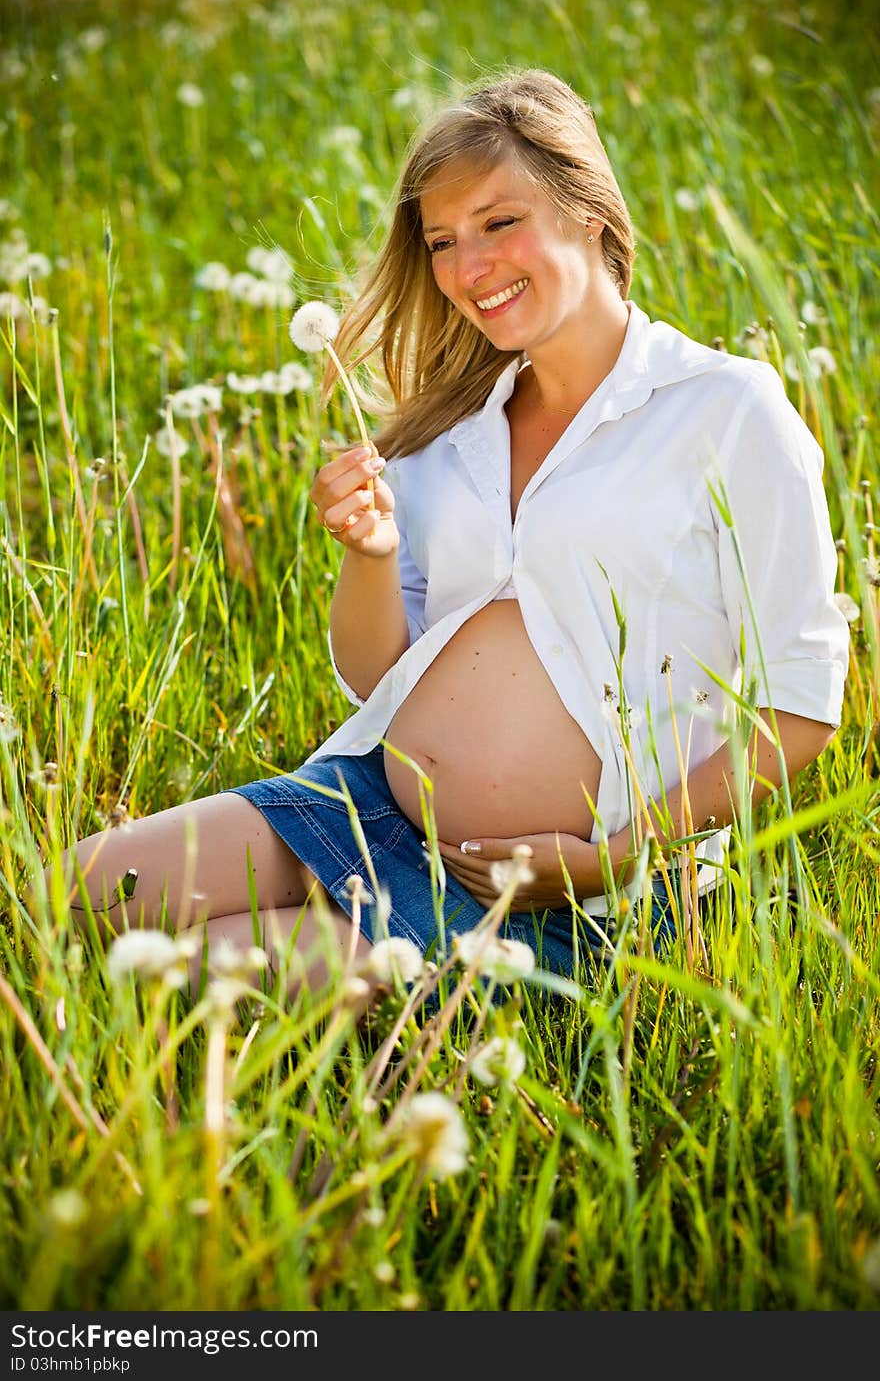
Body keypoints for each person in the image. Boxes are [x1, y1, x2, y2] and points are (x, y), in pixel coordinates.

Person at [45, 69, 850, 994]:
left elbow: (801, 702)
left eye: (500, 222)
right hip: (365, 803)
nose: (470, 267)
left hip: (569, 894)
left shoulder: (726, 408)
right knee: (67, 897)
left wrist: (615, 858)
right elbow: (374, 675)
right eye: (441, 241)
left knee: (166, 976)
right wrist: (371, 559)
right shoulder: (448, 438)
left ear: (589, 210)